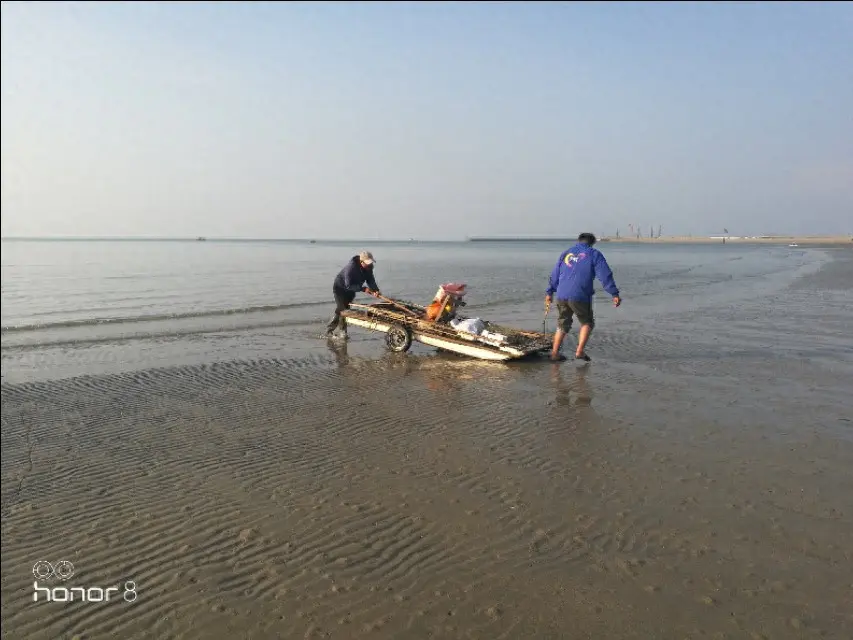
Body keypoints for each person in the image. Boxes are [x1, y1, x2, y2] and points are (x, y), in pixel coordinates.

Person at [544, 233, 621, 362]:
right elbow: (605, 275)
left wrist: (549, 292)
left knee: (563, 323)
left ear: (578, 241)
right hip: (580, 295)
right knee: (587, 322)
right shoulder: (594, 254)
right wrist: (614, 293)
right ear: (592, 242)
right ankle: (579, 352)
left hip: (561, 294)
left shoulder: (566, 253)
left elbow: (555, 274)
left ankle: (554, 353)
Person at [325, 251, 381, 338]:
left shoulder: (369, 267)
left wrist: (375, 290)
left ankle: (342, 332)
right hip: (340, 288)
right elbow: (348, 285)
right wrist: (363, 289)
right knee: (342, 309)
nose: (369, 265)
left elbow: (370, 280)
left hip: (352, 290)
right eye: (367, 263)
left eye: (370, 263)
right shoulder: (351, 268)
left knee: (344, 310)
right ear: (361, 261)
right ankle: (330, 331)